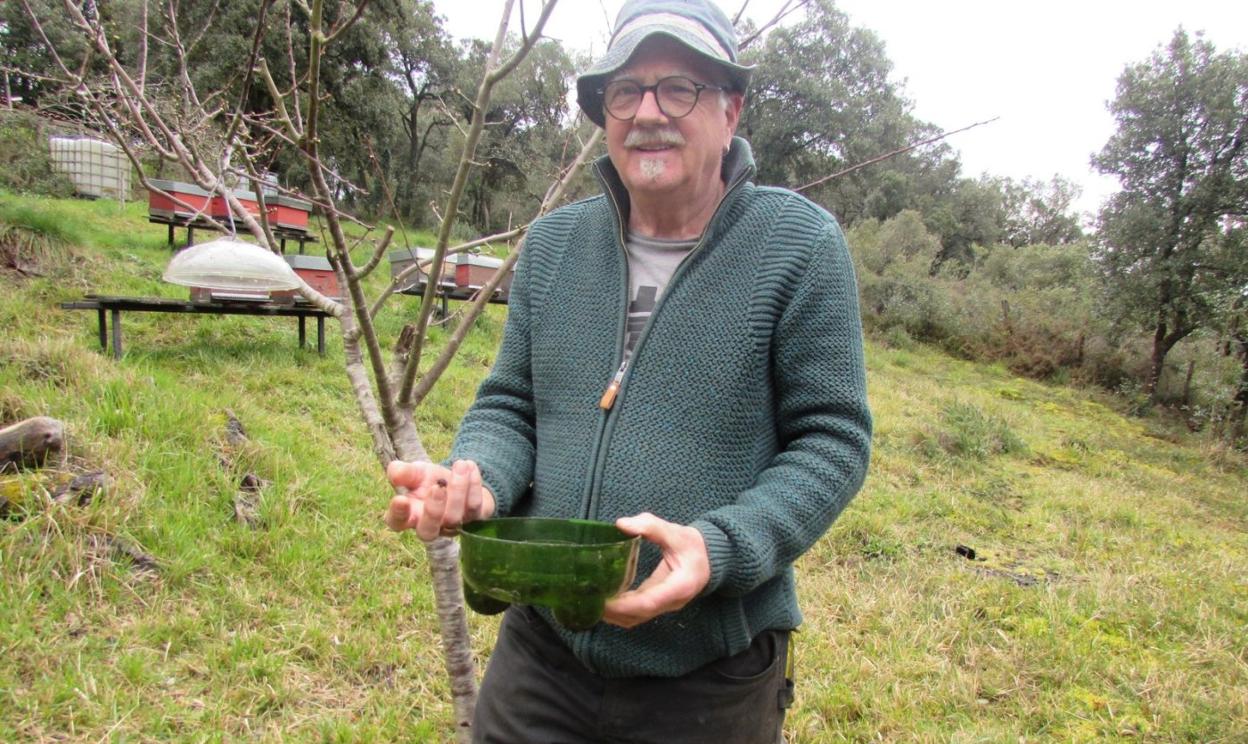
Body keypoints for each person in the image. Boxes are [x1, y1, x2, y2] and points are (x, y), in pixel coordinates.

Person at [386, 0, 872, 740]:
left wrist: (720, 548)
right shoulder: (553, 244)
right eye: (625, 91)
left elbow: (832, 440)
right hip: (542, 655)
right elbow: (512, 403)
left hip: (708, 675)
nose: (648, 112)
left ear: (731, 109)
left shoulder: (798, 246)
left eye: (679, 87)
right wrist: (475, 475)